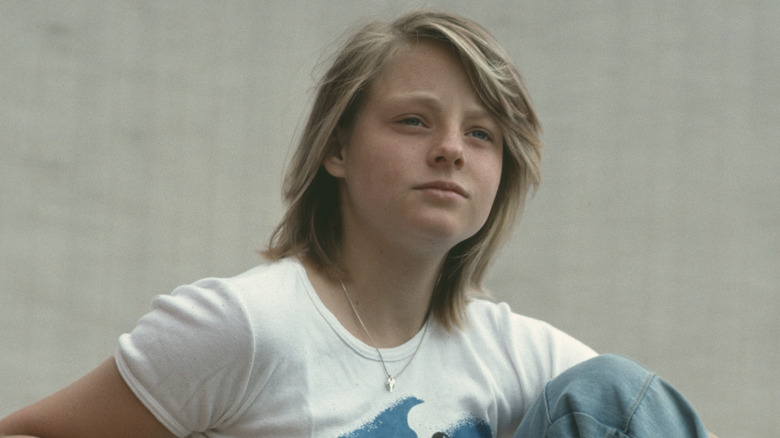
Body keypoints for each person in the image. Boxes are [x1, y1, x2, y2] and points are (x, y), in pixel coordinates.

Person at [0, 9, 716, 438]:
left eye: (481, 135)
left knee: (617, 394)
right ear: (337, 147)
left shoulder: (517, 358)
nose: (448, 150)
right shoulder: (248, 326)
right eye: (414, 120)